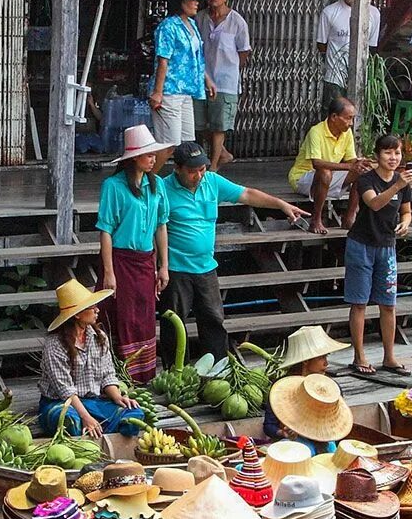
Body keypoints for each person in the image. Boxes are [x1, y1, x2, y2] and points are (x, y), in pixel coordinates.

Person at [163, 143, 303, 365]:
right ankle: (175, 373)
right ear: (177, 168)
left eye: (202, 169)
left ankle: (218, 370)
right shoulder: (163, 189)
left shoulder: (212, 182)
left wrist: (281, 205)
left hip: (206, 267)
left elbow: (246, 194)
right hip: (176, 267)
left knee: (214, 321)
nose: (198, 175)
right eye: (192, 171)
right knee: (174, 324)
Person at [98, 121, 172, 381]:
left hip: (145, 260)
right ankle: (117, 376)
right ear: (134, 157)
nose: (153, 159)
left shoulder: (157, 186)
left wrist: (163, 266)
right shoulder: (114, 186)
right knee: (121, 318)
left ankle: (143, 376)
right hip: (121, 260)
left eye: (154, 154)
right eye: (148, 154)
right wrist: (109, 272)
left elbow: (161, 226)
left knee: (144, 319)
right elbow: (105, 230)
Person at [344, 131, 412, 378]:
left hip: (387, 247)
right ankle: (359, 356)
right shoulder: (366, 180)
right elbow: (374, 204)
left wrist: (406, 222)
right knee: (360, 302)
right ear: (378, 155)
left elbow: (406, 211)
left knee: (388, 304)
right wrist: (397, 185)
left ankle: (390, 357)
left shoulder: (402, 183)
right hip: (361, 245)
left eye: (397, 152)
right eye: (388, 152)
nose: (393, 157)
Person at [39, 279, 147, 439]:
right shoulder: (55, 345)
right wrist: (85, 417)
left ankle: (99, 430)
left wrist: (118, 397)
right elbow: (65, 390)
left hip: (93, 401)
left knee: (133, 414)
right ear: (77, 314)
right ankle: (96, 427)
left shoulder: (99, 337)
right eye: (92, 307)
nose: (97, 310)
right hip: (62, 403)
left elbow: (108, 375)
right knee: (69, 421)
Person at [289, 92, 359, 233]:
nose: (351, 124)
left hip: (327, 178)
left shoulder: (346, 133)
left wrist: (362, 163)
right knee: (325, 173)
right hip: (303, 179)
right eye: (348, 119)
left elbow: (351, 160)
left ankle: (349, 218)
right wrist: (348, 166)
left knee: (361, 171)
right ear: (334, 117)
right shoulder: (316, 131)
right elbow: (317, 164)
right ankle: (316, 220)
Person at [150, 0, 210, 151]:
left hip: (186, 91)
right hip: (169, 91)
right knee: (169, 145)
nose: (196, 3)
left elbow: (194, 58)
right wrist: (158, 92)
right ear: (180, 2)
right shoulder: (168, 26)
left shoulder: (191, 24)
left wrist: (207, 79)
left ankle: (179, 176)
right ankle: (148, 176)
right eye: (192, 0)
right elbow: (163, 61)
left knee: (187, 143)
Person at [201, 0, 252, 167]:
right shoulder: (201, 18)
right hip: (203, 79)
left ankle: (213, 166)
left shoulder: (237, 22)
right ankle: (221, 154)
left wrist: (231, 71)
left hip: (225, 81)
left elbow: (244, 51)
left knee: (219, 126)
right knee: (201, 123)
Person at [265, 322, 344, 435]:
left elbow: (338, 425)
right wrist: (283, 433)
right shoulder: (280, 388)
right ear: (306, 361)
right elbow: (269, 426)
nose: (326, 363)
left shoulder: (331, 389)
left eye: (326, 356)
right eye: (321, 357)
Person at [316, 0, 380, 91]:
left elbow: (372, 47)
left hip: (361, 79)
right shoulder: (329, 12)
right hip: (334, 79)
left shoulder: (373, 14)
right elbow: (321, 44)